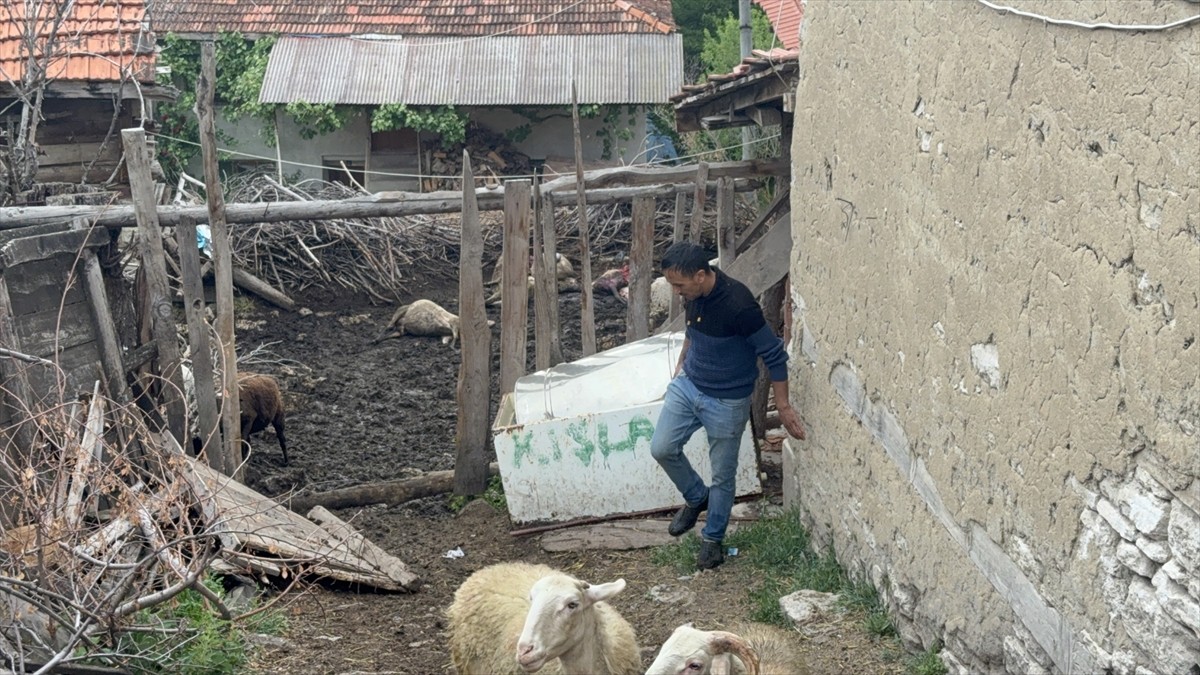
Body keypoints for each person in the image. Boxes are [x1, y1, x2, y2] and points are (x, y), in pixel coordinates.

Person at [650, 241, 806, 570]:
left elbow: (775, 356)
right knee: (662, 447)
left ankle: (713, 539)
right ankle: (696, 496)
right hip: (690, 384)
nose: (676, 292)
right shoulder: (694, 295)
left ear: (701, 275)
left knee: (723, 475)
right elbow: (692, 332)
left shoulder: (739, 305)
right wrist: (681, 365)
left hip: (727, 398)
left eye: (679, 285)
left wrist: (785, 406)